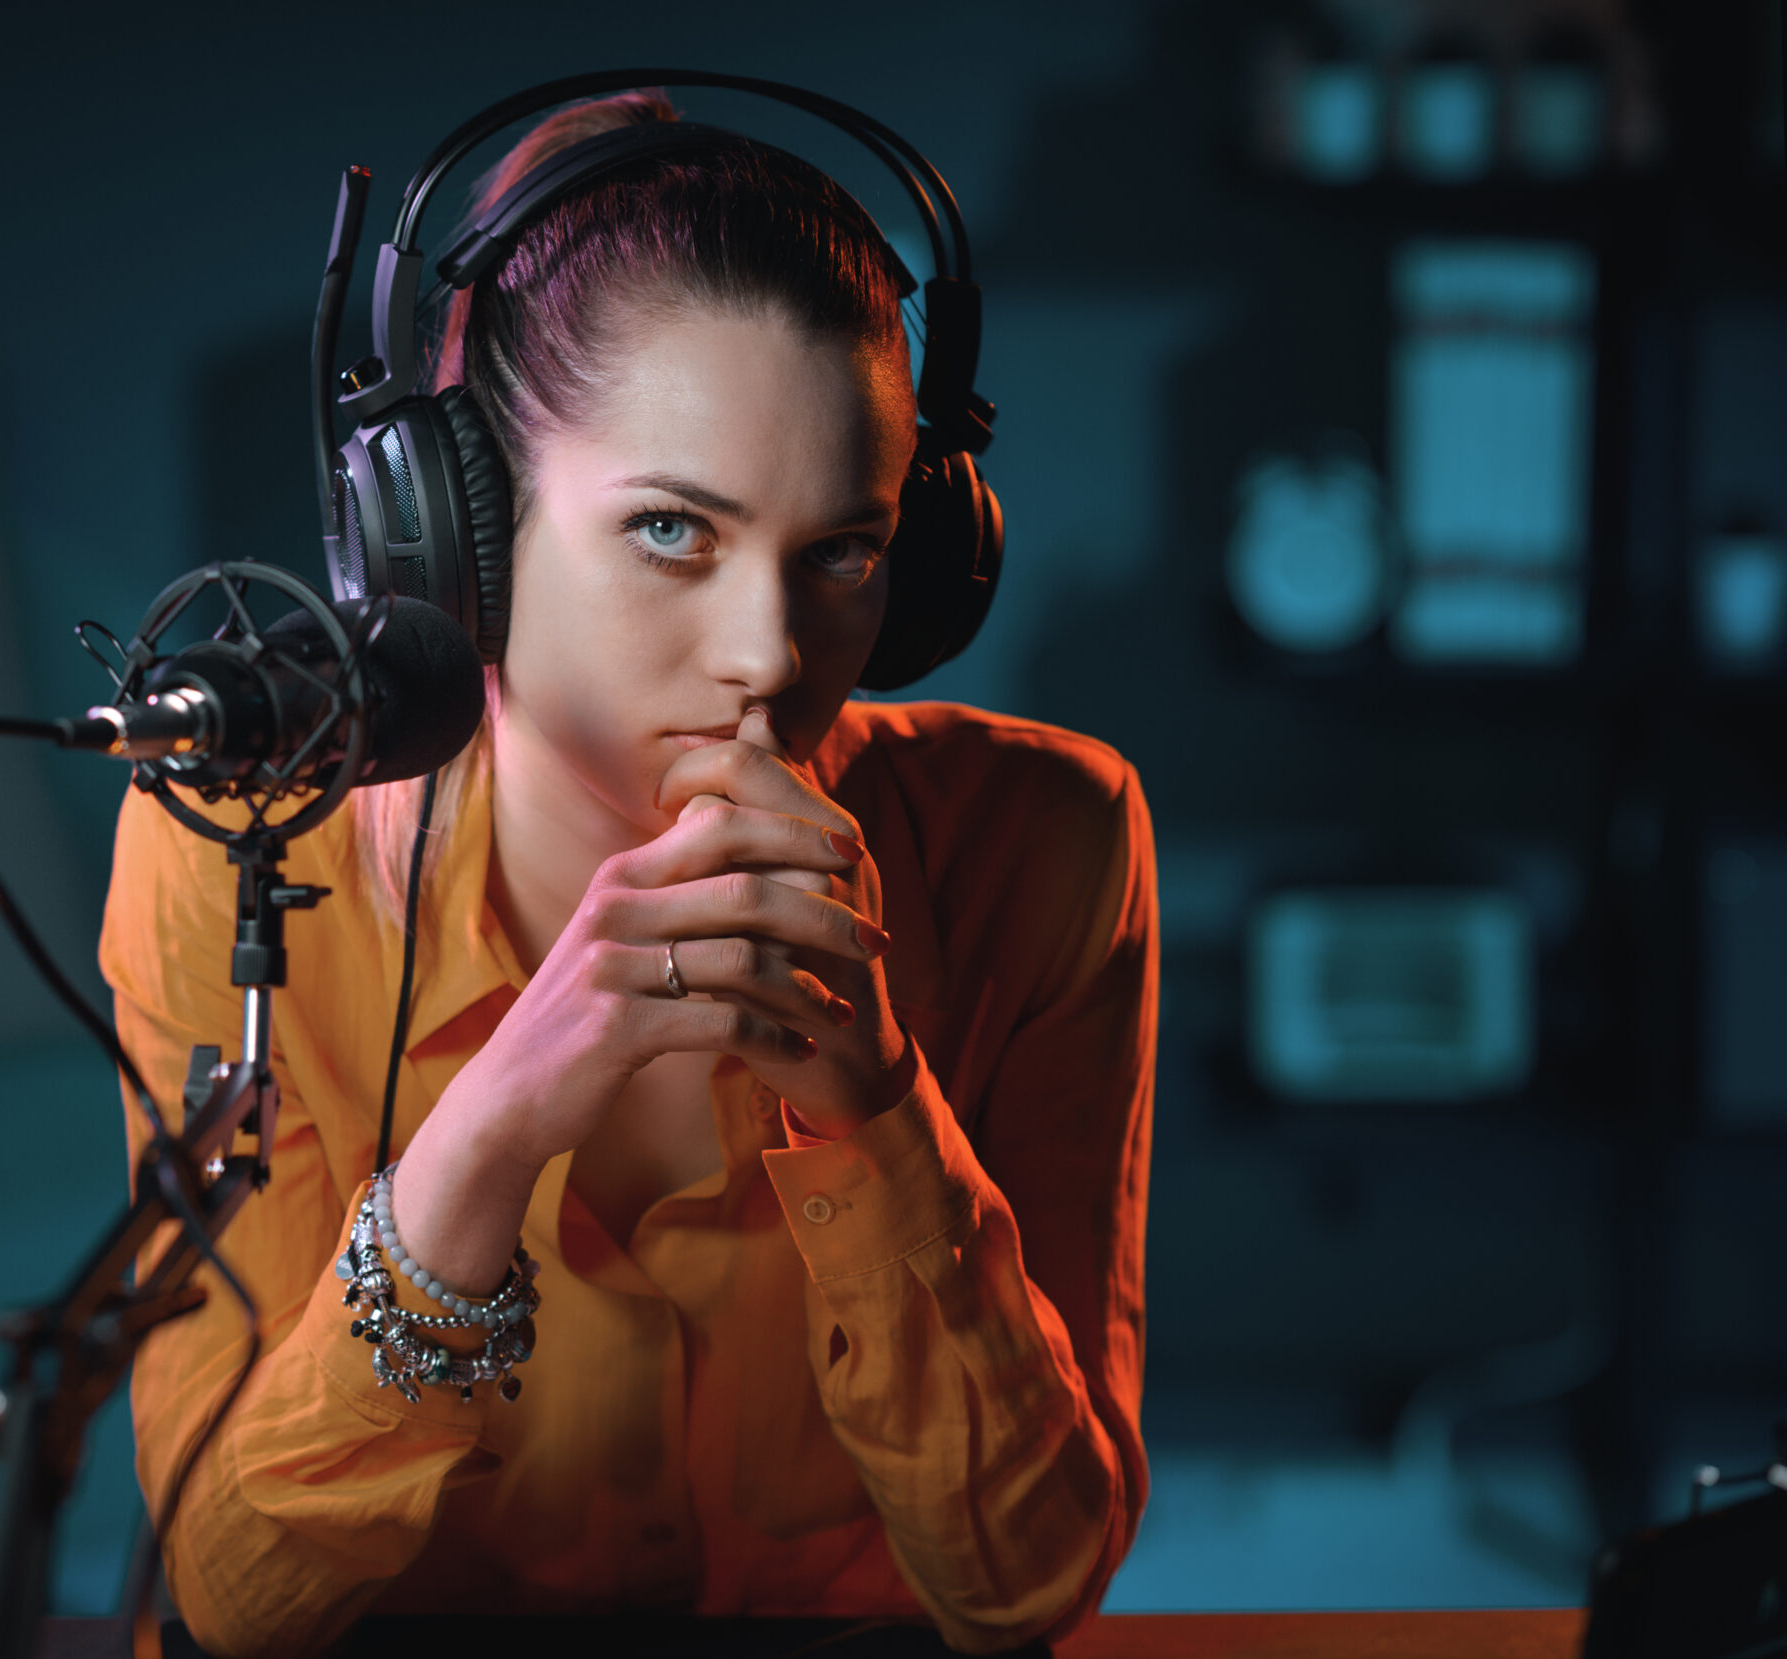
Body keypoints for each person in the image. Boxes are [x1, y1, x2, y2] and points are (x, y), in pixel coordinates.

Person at [100, 88, 1155, 1658]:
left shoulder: (1051, 840)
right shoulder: (248, 849)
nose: (771, 656)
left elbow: (1024, 1588)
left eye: (846, 552)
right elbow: (236, 1601)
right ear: (446, 536)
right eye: (673, 529)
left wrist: (874, 1106)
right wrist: (490, 1132)